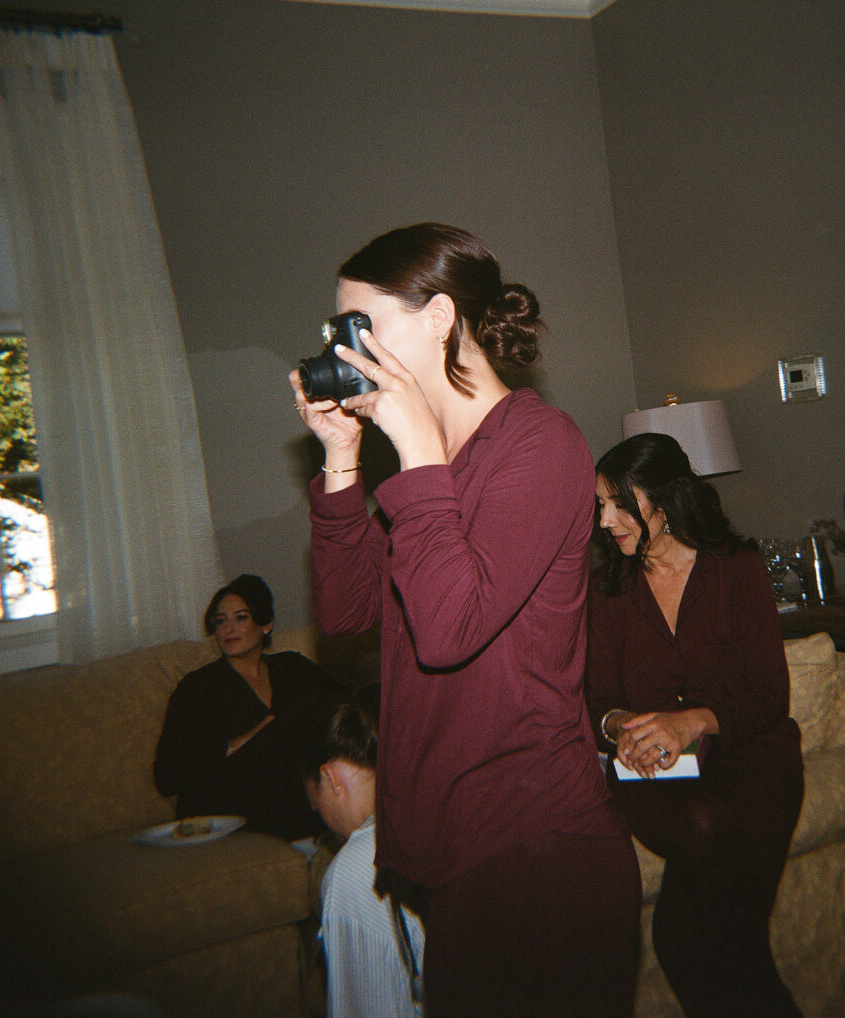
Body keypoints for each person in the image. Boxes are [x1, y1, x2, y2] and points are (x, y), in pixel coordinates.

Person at [289, 223, 640, 1018]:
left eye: (359, 326)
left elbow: (449, 630)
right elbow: (346, 613)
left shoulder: (540, 445)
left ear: (441, 318)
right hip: (454, 845)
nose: (346, 350)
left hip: (536, 848)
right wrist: (343, 461)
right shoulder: (430, 465)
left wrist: (414, 451)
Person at [585, 433, 804, 1018]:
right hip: (654, 773)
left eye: (617, 504)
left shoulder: (737, 569)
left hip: (753, 759)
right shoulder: (609, 590)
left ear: (663, 499)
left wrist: (692, 722)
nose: (605, 521)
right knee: (704, 830)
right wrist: (622, 726)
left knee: (685, 941)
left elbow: (769, 694)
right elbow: (598, 699)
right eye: (599, 506)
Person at [154, 573, 339, 840]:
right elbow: (166, 777)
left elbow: (343, 709)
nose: (228, 629)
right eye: (220, 621)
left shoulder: (291, 668)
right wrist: (246, 739)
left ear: (266, 624)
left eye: (240, 618)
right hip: (224, 798)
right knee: (286, 730)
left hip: (290, 790)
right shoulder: (198, 688)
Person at [304, 685, 425, 1018]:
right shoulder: (433, 816)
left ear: (331, 779)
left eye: (315, 801)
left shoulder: (356, 870)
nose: (320, 813)